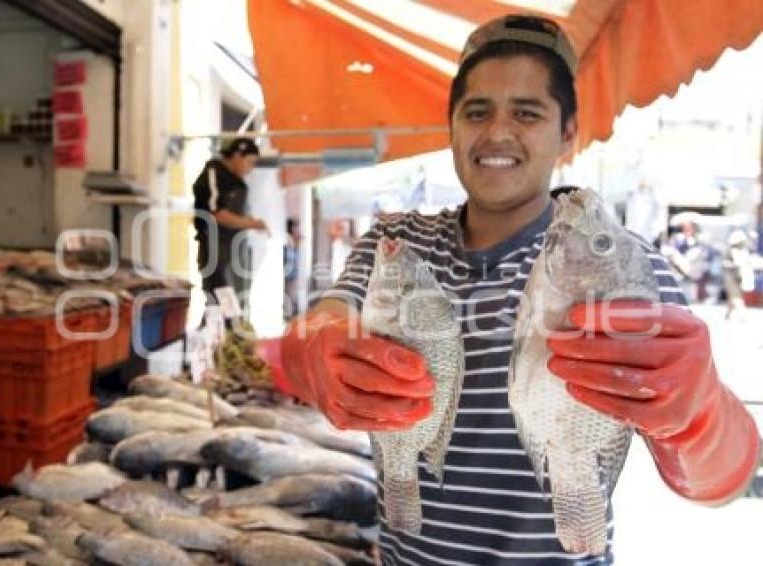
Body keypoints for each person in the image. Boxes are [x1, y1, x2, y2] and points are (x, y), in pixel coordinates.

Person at [279, 14, 760, 565]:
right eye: (476, 111)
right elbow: (323, 317)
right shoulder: (396, 242)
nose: (497, 133)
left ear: (567, 133)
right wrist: (313, 349)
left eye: (526, 113)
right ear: (452, 126)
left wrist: (698, 414)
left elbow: (724, 481)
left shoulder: (623, 268)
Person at [193, 137, 269, 302]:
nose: (250, 169)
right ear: (237, 155)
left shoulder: (238, 181)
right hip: (214, 244)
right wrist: (251, 223)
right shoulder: (214, 172)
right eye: (250, 162)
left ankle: (231, 322)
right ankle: (226, 323)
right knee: (218, 289)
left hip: (232, 247)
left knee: (234, 289)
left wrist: (252, 222)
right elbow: (216, 213)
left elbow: (235, 213)